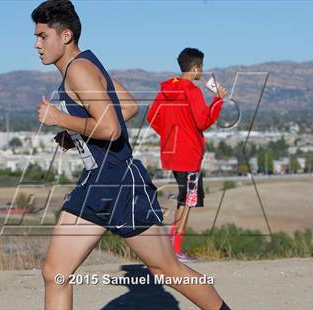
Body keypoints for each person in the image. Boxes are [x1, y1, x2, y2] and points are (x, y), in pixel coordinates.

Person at [32, 1, 231, 309]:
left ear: (66, 36)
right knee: (56, 272)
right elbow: (128, 107)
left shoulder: (80, 71)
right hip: (98, 182)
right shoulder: (87, 65)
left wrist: (61, 119)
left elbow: (110, 128)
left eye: (43, 36)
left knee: (167, 269)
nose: (36, 44)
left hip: (119, 183)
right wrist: (77, 135)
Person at [147, 48, 227, 262]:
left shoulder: (167, 89)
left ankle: (172, 247)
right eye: (201, 68)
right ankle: (175, 249)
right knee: (187, 201)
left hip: (172, 154)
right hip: (190, 155)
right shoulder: (192, 91)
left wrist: (170, 136)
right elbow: (203, 121)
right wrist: (218, 101)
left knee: (183, 199)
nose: (201, 73)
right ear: (195, 68)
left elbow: (151, 116)